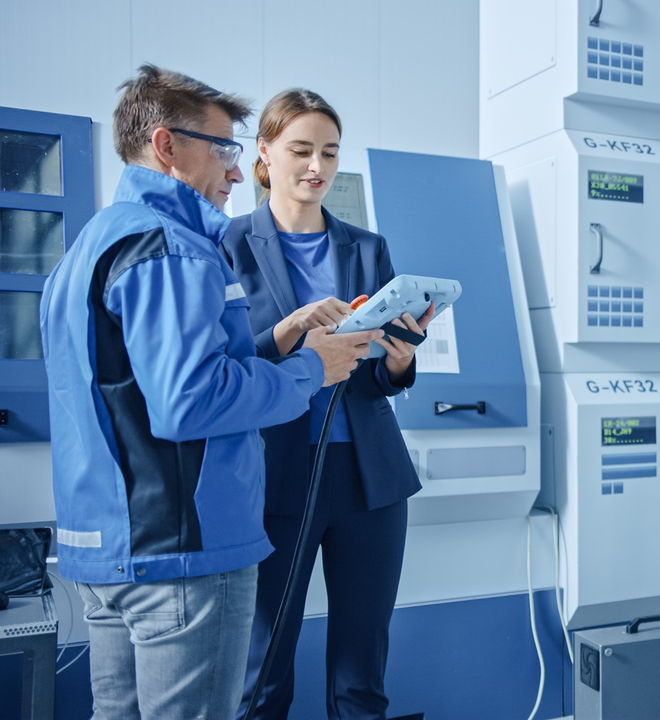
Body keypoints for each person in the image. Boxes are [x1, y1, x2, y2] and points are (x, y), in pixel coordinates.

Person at [39, 65, 381, 719]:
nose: (233, 169)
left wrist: (278, 338)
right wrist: (311, 369)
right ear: (166, 145)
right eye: (223, 148)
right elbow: (190, 401)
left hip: (105, 549)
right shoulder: (175, 249)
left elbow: (134, 388)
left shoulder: (90, 245)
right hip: (183, 551)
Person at [221, 89, 429, 720]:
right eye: (301, 150)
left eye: (330, 153)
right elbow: (225, 364)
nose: (317, 166)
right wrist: (292, 327)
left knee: (362, 671)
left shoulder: (366, 248)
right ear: (264, 151)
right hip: (274, 475)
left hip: (369, 478)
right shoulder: (227, 244)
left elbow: (377, 378)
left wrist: (400, 360)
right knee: (263, 671)